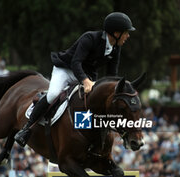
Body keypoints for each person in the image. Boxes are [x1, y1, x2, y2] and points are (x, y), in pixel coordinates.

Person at [14, 12, 135, 147]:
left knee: (93, 101)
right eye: (126, 32)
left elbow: (112, 75)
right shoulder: (89, 38)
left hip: (87, 75)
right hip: (66, 70)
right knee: (53, 94)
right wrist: (85, 80)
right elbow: (76, 63)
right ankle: (26, 129)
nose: (128, 36)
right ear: (116, 33)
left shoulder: (115, 49)